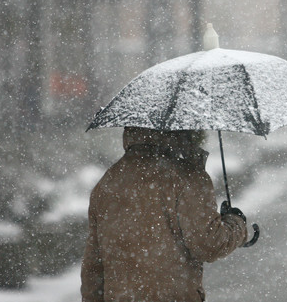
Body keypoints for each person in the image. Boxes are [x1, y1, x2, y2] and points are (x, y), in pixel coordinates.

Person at [81, 127, 248, 302]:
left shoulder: (108, 182)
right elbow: (208, 244)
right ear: (187, 131)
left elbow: (93, 267)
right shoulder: (188, 177)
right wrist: (236, 224)